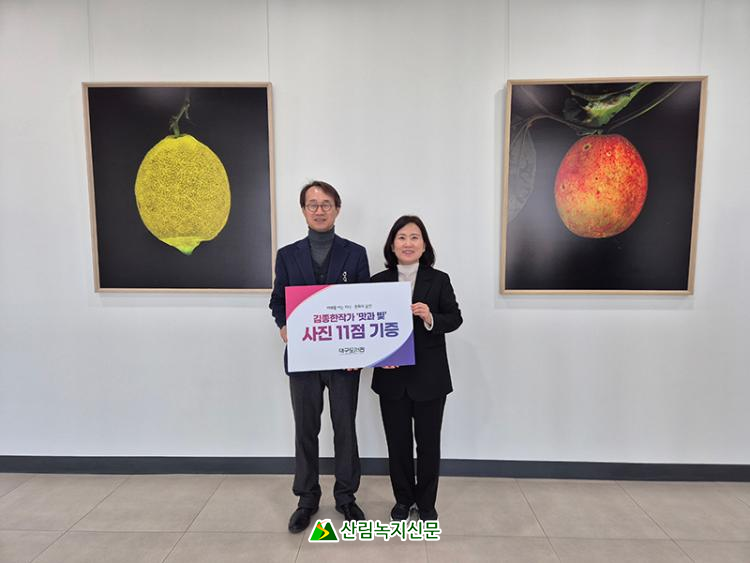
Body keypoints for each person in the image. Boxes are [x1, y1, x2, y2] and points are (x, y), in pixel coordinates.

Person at [269, 180, 370, 533]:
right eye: (312, 204)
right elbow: (278, 300)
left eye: (326, 203)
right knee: (306, 429)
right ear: (303, 211)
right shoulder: (287, 255)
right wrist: (283, 324)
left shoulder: (355, 254)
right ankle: (306, 499)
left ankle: (346, 496)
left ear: (337, 209)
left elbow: (364, 304)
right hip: (304, 357)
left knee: (345, 429)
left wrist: (361, 349)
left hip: (344, 360)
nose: (319, 210)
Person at [370, 215, 462, 521]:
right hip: (391, 377)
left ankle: (426, 503)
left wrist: (430, 317)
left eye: (414, 237)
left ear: (424, 246)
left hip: (430, 378)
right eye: (401, 237)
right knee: (397, 445)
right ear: (392, 245)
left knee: (428, 444)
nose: (408, 243)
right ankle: (402, 500)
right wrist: (377, 356)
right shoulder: (376, 282)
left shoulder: (439, 280)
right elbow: (368, 329)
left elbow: (455, 318)